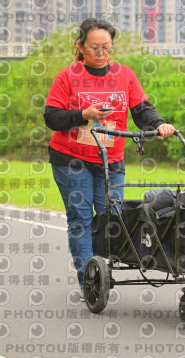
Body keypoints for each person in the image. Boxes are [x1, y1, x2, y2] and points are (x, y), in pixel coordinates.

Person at [43, 18, 175, 300]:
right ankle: (89, 281)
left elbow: (142, 109)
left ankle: (98, 268)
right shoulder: (68, 76)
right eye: (94, 47)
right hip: (71, 159)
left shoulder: (124, 74)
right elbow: (52, 117)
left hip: (110, 159)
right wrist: (83, 115)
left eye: (106, 47)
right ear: (80, 47)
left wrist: (159, 124)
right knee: (81, 220)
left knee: (112, 219)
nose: (101, 53)